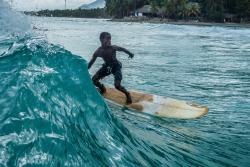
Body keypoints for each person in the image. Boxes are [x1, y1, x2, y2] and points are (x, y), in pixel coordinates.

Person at [88, 32, 134, 104]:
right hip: (107, 67)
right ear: (101, 39)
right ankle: (102, 89)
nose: (110, 40)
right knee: (94, 80)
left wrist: (130, 53)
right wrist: (85, 70)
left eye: (110, 38)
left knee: (117, 85)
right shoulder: (98, 51)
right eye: (108, 38)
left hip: (116, 66)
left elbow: (122, 49)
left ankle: (127, 94)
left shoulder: (113, 47)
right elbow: (91, 62)